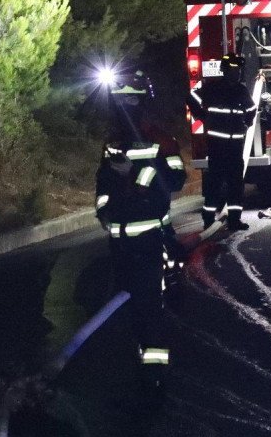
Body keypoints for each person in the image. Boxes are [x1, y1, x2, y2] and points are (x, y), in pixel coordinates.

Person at [96, 70, 187, 373]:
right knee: (126, 307)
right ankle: (135, 363)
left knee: (149, 308)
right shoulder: (113, 142)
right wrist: (103, 211)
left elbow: (175, 179)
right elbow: (102, 183)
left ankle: (155, 374)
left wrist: (136, 178)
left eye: (131, 101)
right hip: (119, 242)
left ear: (142, 102)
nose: (125, 108)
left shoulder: (161, 140)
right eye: (120, 101)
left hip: (148, 240)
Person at [187, 53, 256, 231]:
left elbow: (252, 108)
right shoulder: (213, 88)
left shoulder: (241, 90)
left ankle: (234, 220)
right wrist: (202, 116)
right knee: (214, 184)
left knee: (236, 185)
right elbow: (191, 97)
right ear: (225, 71)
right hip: (217, 146)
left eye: (238, 70)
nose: (236, 73)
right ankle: (208, 219)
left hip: (235, 146)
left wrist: (247, 122)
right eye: (233, 70)